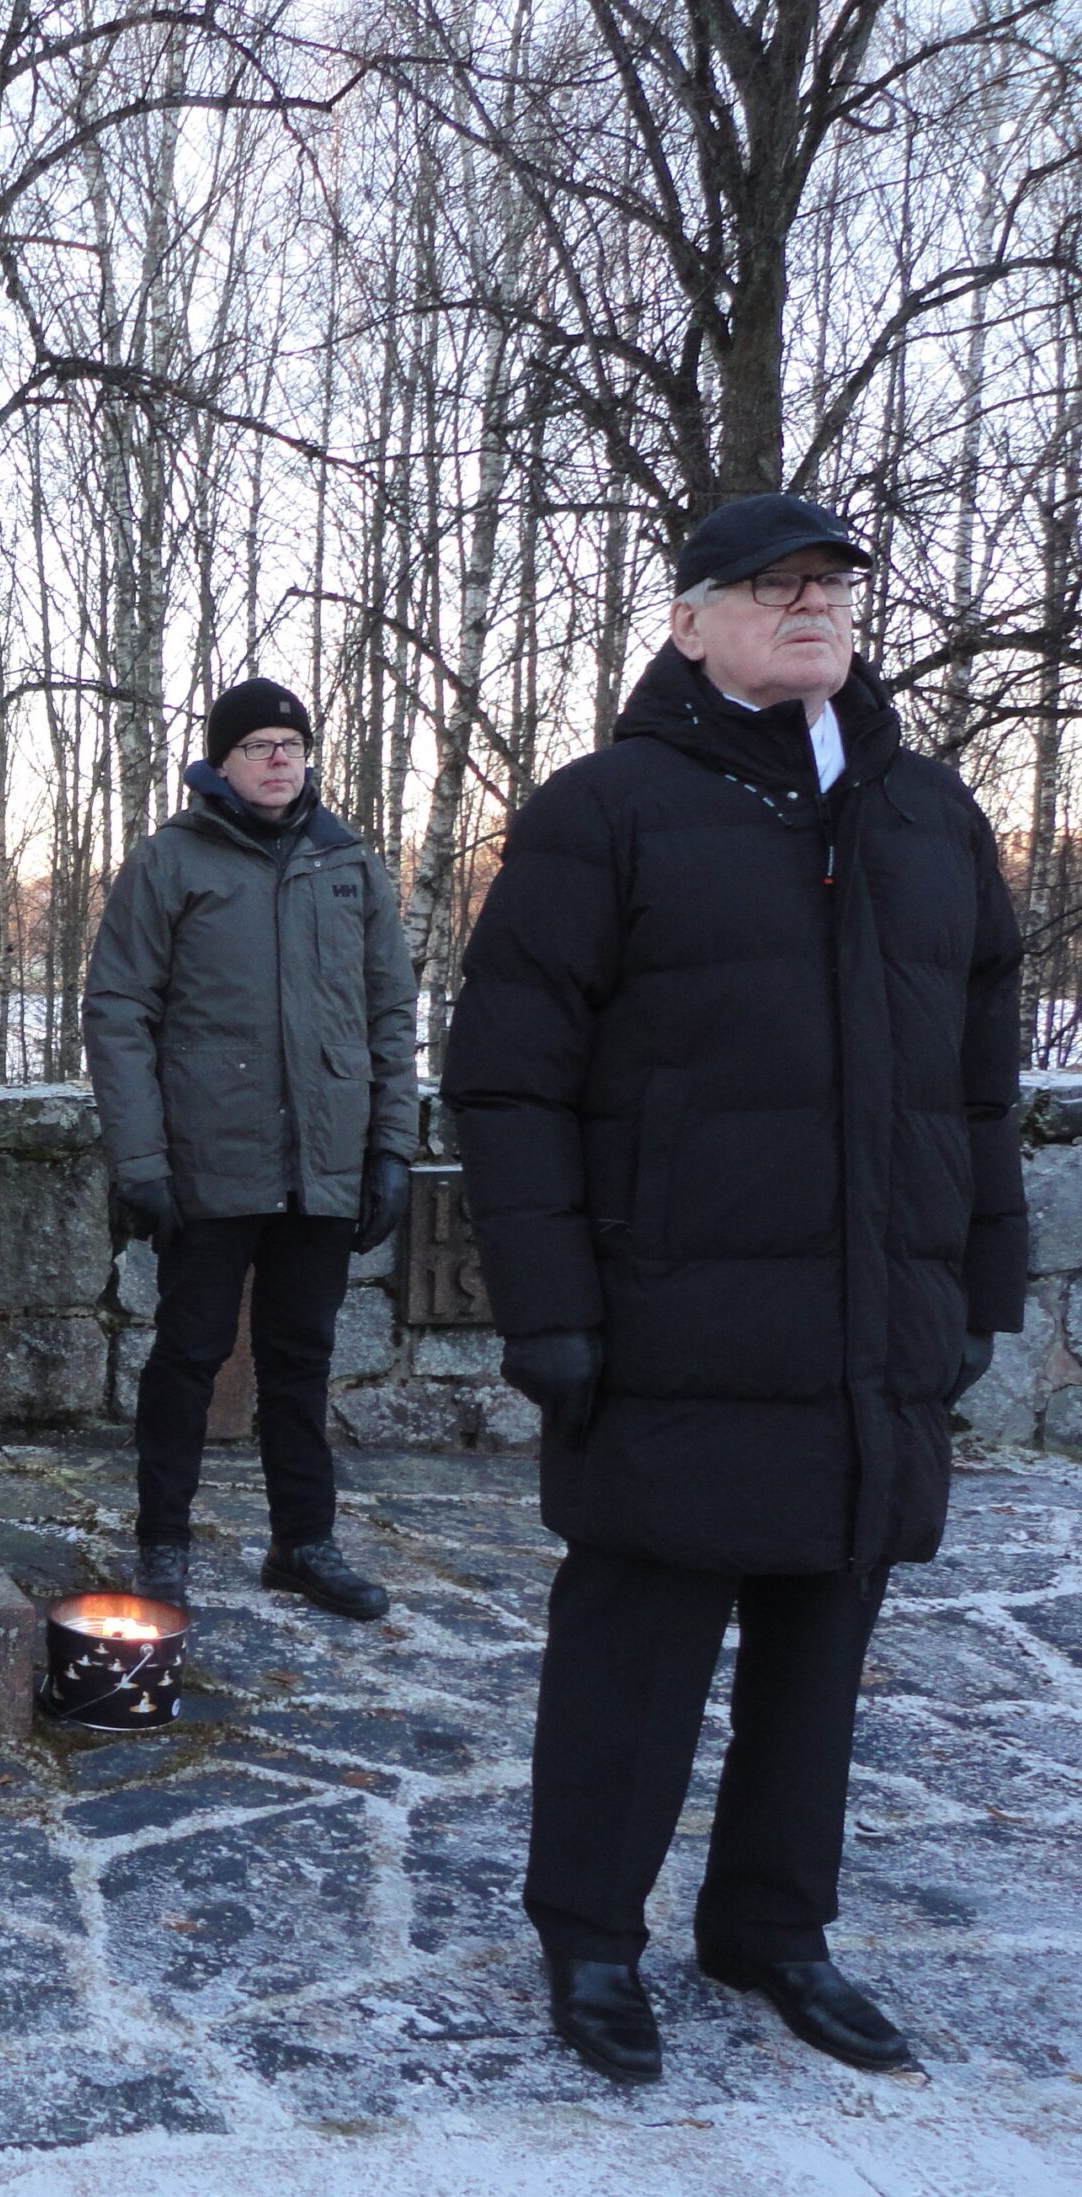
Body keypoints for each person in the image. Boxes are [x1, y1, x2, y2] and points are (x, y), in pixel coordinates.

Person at [442, 493, 1025, 2086]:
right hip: (668, 1318)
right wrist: (547, 1303)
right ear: (687, 621)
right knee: (638, 1638)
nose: (817, 606)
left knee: (822, 1638)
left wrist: (980, 1283)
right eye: (776, 585)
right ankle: (590, 1932)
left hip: (868, 1330)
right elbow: (504, 1077)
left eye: (836, 584)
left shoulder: (930, 819)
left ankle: (773, 1925)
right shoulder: (606, 810)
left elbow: (982, 1088)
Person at [84, 677, 417, 1616]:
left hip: (325, 1162)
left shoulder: (349, 863)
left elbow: (392, 1012)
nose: (280, 760)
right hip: (208, 1161)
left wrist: (390, 1148)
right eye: (259, 745)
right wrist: (142, 1162)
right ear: (221, 763)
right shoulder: (171, 862)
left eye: (292, 744)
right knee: (187, 1355)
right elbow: (117, 1012)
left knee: (301, 1357)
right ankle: (162, 1545)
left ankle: (303, 1543)